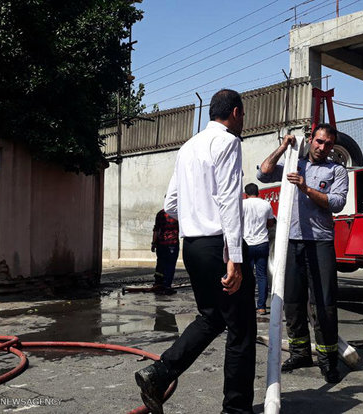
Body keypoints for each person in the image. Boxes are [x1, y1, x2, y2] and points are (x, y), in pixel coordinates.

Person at [135, 89, 256, 414]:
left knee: (212, 318)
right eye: (242, 116)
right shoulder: (228, 142)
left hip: (193, 247)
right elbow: (230, 200)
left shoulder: (188, 147)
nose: (242, 122)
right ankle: (236, 410)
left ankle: (159, 374)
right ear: (234, 113)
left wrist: (196, 214)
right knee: (242, 330)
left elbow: (170, 204)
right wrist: (234, 258)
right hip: (220, 244)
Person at [257, 123, 348, 383]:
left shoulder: (336, 170)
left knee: (324, 304)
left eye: (327, 144)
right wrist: (284, 147)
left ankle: (328, 360)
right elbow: (263, 173)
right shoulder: (293, 164)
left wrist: (306, 188)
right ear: (310, 139)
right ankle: (299, 353)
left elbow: (337, 203)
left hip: (319, 242)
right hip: (290, 242)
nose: (321, 147)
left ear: (333, 146)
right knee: (294, 303)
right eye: (318, 141)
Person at [242, 183, 276, 315]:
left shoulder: (243, 204)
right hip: (262, 243)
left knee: (247, 275)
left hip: (247, 244)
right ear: (258, 193)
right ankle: (261, 306)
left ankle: (247, 304)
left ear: (245, 194)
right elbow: (270, 223)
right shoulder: (266, 204)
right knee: (262, 275)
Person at [151, 208, 179, 295]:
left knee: (160, 263)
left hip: (161, 244)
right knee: (170, 265)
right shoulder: (177, 213)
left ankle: (158, 283)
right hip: (172, 243)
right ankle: (167, 286)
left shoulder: (160, 213)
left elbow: (156, 229)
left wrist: (154, 243)